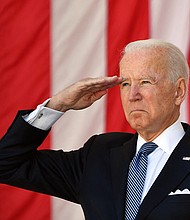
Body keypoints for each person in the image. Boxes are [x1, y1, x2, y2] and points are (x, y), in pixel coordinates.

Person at [0, 39, 189, 220]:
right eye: (125, 84)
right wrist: (58, 104)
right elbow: (6, 164)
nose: (132, 95)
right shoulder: (99, 155)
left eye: (146, 82)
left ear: (178, 91)